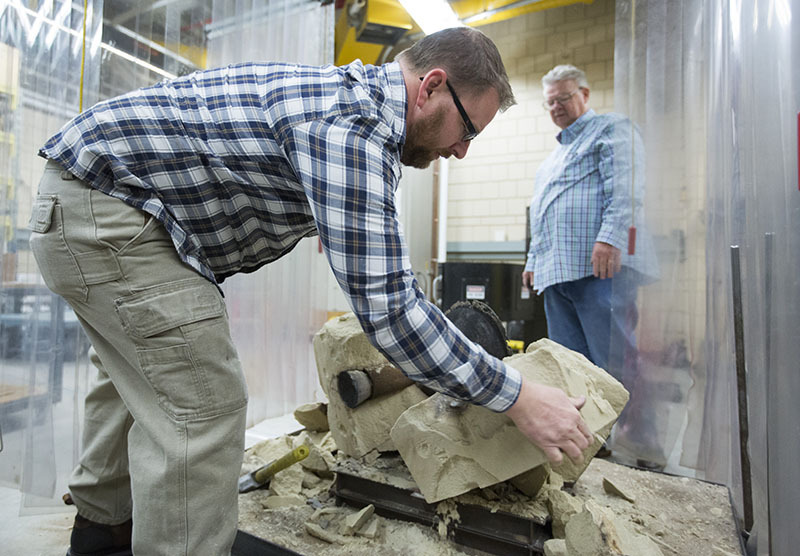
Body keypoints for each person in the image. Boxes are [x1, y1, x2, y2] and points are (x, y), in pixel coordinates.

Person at [30, 28, 593, 556]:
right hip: (112, 214)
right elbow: (393, 314)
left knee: (138, 374)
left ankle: (100, 532)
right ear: (432, 87)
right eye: (467, 130)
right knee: (201, 403)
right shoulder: (352, 129)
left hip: (89, 194)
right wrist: (516, 396)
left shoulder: (349, 105)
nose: (461, 151)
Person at [522, 64, 658, 461]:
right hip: (557, 273)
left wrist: (610, 238)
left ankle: (641, 444)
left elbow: (627, 184)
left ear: (585, 93)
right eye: (550, 102)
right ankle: (593, 444)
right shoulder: (551, 160)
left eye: (564, 98)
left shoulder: (610, 129)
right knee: (569, 366)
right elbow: (542, 214)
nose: (557, 107)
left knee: (614, 359)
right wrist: (533, 260)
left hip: (600, 268)